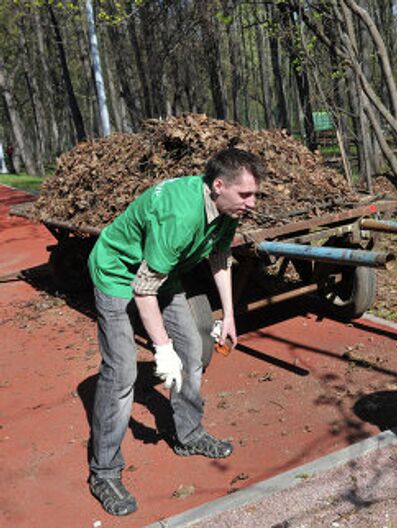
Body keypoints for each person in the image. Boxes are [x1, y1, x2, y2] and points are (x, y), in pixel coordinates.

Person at [87, 147, 263, 515]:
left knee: (194, 352)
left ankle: (188, 433)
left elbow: (218, 256)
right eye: (245, 195)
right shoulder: (180, 216)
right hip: (118, 273)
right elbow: (142, 289)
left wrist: (229, 314)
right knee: (121, 373)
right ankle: (104, 471)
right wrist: (161, 348)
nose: (252, 203)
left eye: (255, 194)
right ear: (218, 185)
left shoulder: (228, 209)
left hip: (161, 272)